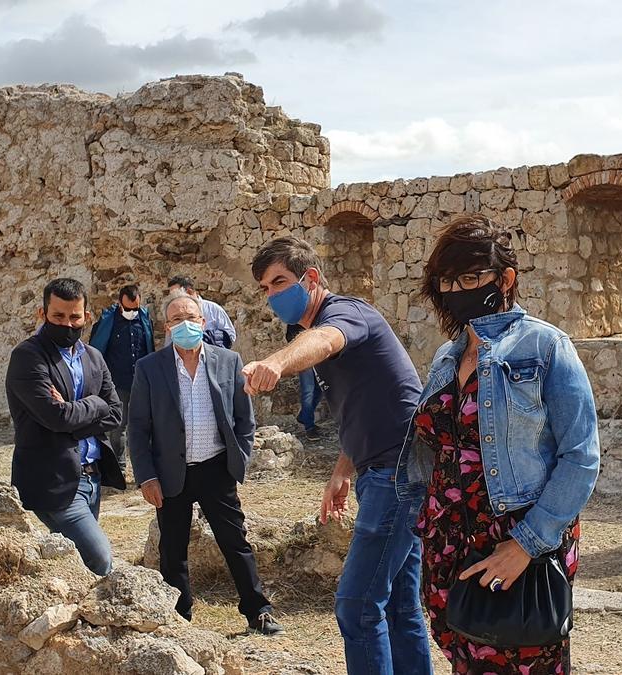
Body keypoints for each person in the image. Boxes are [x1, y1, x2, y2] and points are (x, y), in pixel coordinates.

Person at [395, 214, 599, 673]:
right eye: (447, 280)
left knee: (522, 657)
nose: (456, 290)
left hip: (517, 540)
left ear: (505, 279)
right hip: (448, 540)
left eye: (470, 277)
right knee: (464, 657)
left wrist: (525, 545)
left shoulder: (546, 347)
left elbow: (581, 458)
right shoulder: (447, 356)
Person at [243, 237, 430, 674]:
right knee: (401, 605)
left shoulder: (344, 313)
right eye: (265, 288)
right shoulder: (315, 326)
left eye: (279, 282)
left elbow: (326, 340)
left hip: (398, 474)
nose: (272, 296)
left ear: (310, 279)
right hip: (384, 469)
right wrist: (343, 470)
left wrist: (276, 362)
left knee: (357, 604)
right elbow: (362, 406)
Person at [128, 292, 283, 635]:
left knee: (235, 542)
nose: (185, 325)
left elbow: (245, 419)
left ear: (204, 322)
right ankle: (179, 619)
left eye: (191, 318)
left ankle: (258, 611)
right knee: (172, 549)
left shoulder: (228, 361)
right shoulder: (149, 368)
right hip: (170, 474)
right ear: (166, 327)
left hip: (216, 468)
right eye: (176, 320)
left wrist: (238, 459)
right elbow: (137, 428)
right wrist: (146, 477)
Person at [6, 278, 126, 575]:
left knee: (77, 565)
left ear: (87, 317)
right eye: (58, 316)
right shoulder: (28, 357)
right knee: (100, 557)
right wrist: (94, 404)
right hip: (53, 480)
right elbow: (55, 417)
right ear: (42, 313)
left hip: (92, 477)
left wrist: (72, 413)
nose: (67, 324)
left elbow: (115, 413)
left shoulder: (94, 357)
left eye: (74, 317)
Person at [89, 284, 155, 454]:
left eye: (135, 308)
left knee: (144, 426)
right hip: (118, 383)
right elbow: (97, 349)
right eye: (127, 308)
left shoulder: (144, 319)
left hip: (142, 382)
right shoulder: (107, 323)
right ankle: (120, 468)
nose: (132, 312)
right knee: (118, 426)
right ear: (119, 303)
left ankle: (144, 469)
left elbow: (149, 348)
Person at [168, 275, 237, 348]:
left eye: (176, 295)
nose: (173, 299)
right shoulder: (173, 313)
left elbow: (230, 336)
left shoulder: (213, 309)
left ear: (189, 292)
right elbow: (169, 342)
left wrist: (210, 339)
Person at [287, 323, 324, 440]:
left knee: (320, 388)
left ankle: (304, 415)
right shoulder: (295, 318)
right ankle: (309, 427)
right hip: (304, 357)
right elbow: (289, 336)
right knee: (308, 390)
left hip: (318, 356)